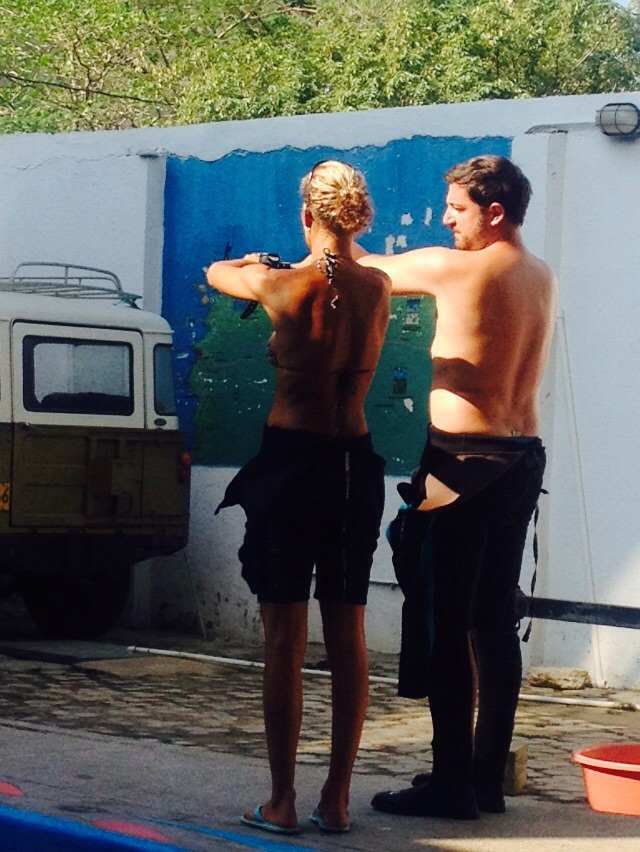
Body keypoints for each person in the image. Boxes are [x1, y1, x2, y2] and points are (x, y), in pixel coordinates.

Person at [358, 155, 557, 820]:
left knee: (444, 620)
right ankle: (483, 778)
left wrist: (318, 246)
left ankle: (450, 784)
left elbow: (366, 270)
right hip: (521, 458)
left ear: (494, 212)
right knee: (494, 621)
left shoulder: (459, 269)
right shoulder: (541, 275)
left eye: (456, 209)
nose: (445, 220)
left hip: (461, 462)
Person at [207, 160, 391, 835]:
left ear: (308, 215)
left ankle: (281, 801)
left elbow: (217, 273)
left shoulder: (279, 286)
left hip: (291, 465)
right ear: (358, 217)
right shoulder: (379, 287)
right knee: (349, 636)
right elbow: (345, 274)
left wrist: (254, 262)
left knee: (284, 638)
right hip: (352, 468)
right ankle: (335, 800)